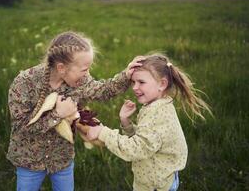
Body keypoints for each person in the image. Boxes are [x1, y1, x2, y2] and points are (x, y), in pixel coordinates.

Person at [6, 31, 144, 191]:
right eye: (84, 69)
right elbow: (22, 128)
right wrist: (58, 114)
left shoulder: (80, 81)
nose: (87, 74)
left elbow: (102, 90)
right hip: (28, 160)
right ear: (61, 68)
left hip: (62, 158)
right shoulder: (24, 83)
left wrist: (126, 75)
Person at [79, 53, 212, 191]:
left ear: (162, 84)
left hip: (156, 185)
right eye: (133, 82)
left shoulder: (157, 114)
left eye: (141, 82)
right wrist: (126, 123)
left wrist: (103, 132)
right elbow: (147, 139)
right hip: (158, 177)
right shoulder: (159, 105)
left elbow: (135, 149)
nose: (135, 87)